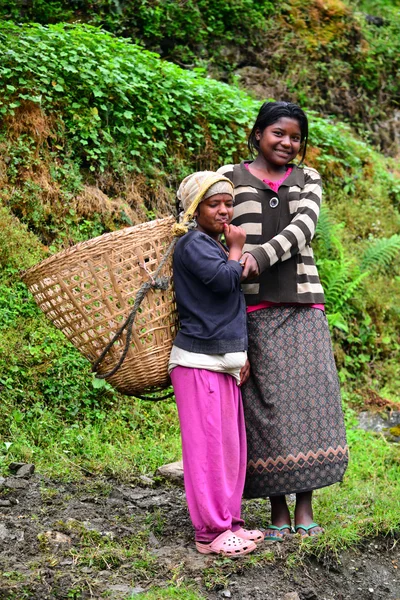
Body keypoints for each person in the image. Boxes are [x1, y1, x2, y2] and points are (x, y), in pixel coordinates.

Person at [218, 101, 349, 540]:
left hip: (301, 306)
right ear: (257, 134)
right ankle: (277, 509)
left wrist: (256, 255)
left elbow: (303, 229)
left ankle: (306, 506)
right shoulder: (228, 178)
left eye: (295, 137)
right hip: (250, 309)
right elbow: (206, 225)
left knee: (309, 404)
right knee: (265, 411)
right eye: (278, 133)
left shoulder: (307, 179)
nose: (287, 143)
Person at [169, 171, 264, 556]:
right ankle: (209, 532)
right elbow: (226, 283)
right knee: (207, 449)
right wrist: (237, 247)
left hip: (219, 361)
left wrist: (239, 356)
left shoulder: (210, 243)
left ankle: (230, 521)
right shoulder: (193, 244)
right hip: (197, 361)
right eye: (214, 204)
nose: (224, 211)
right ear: (196, 209)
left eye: (228, 203)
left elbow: (227, 307)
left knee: (228, 447)